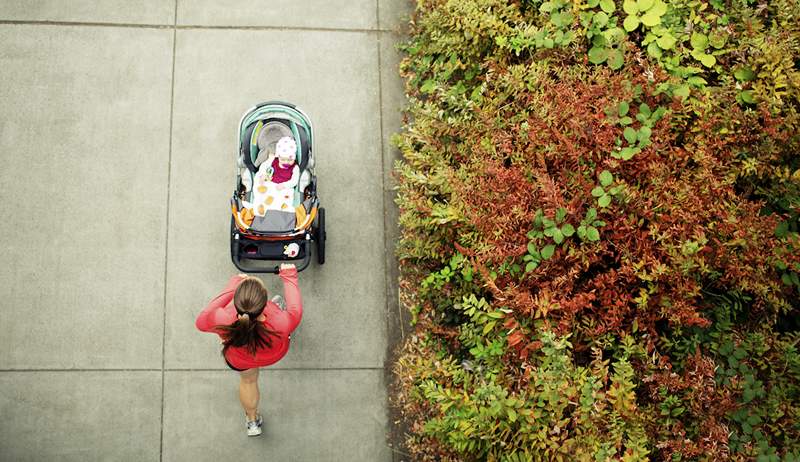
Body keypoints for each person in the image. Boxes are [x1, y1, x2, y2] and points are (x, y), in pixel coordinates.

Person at [195, 263, 302, 436]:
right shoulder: (282, 322)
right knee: (280, 309)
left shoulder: (222, 318)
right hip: (273, 354)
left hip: (241, 360)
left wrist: (233, 285)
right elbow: (295, 309)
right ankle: (276, 304)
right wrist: (288, 273)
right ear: (264, 300)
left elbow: (201, 322)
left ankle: (252, 421)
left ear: (236, 302)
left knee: (249, 381)